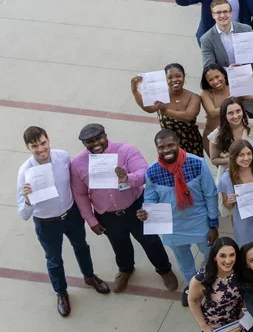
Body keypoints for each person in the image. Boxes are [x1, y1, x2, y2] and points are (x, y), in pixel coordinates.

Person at [69, 123, 177, 293]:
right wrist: (91, 220)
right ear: (84, 144)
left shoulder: (126, 150)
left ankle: (164, 269)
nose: (95, 144)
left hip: (136, 206)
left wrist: (128, 178)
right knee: (119, 244)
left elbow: (144, 173)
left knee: (150, 240)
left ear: (105, 135)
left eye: (98, 138)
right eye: (89, 141)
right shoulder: (78, 164)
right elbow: (80, 194)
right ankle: (126, 269)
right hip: (107, 214)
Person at [18, 126, 110, 316]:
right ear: (27, 147)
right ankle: (61, 292)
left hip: (71, 214)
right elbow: (24, 214)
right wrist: (27, 199)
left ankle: (89, 276)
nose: (41, 149)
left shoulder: (63, 157)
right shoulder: (25, 172)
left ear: (48, 140)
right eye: (34, 146)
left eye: (43, 143)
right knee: (54, 260)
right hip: (46, 223)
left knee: (82, 246)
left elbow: (76, 183)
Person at [139, 130, 219, 307]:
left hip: (199, 222)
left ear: (178, 143)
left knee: (210, 256)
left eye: (170, 145)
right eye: (161, 147)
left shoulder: (197, 164)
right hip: (172, 226)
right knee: (184, 261)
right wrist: (146, 212)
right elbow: (151, 198)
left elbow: (210, 195)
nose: (166, 150)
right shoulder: (152, 171)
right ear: (157, 148)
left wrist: (213, 224)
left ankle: (211, 284)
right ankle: (192, 288)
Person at [198, 0, 253, 112]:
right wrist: (227, 71)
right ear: (212, 15)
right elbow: (208, 66)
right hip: (225, 84)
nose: (222, 15)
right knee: (233, 115)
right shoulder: (206, 39)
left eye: (225, 11)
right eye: (218, 13)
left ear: (231, 13)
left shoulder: (246, 29)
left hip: (249, 79)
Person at [131, 63, 204, 158]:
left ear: (184, 77)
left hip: (191, 143)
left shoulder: (193, 97)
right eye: (170, 77)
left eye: (178, 76)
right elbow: (148, 108)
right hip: (168, 145)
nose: (174, 80)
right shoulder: (161, 96)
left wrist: (166, 112)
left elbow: (188, 116)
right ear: (165, 79)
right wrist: (135, 91)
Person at [208, 97, 253, 184]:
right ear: (225, 115)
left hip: (249, 171)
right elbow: (214, 160)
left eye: (238, 111)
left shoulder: (250, 126)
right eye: (230, 113)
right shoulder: (217, 135)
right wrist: (234, 159)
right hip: (228, 173)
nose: (236, 116)